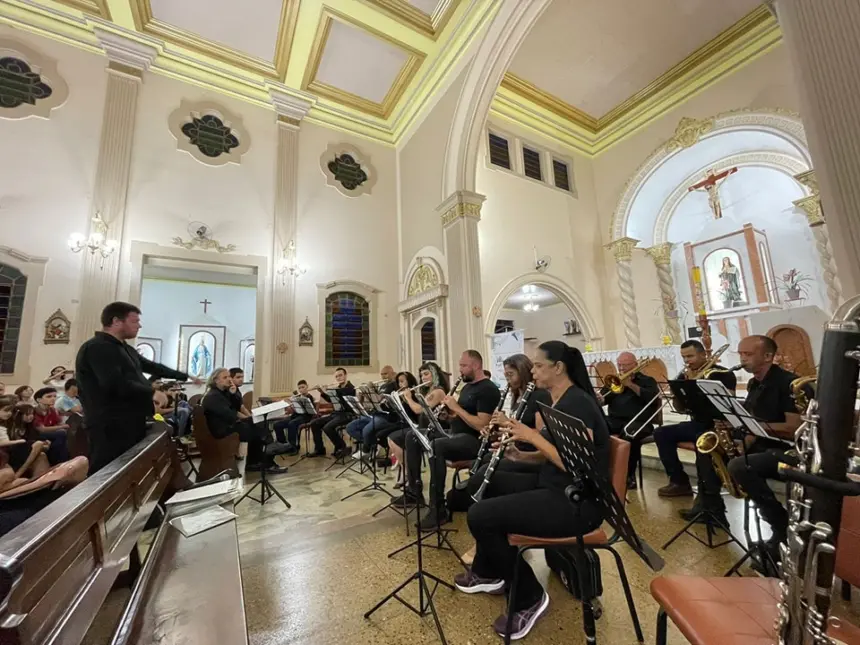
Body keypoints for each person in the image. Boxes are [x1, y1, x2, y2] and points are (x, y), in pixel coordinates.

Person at [454, 341, 609, 640]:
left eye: (538, 365)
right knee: (485, 483)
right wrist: (522, 455)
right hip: (554, 484)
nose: (533, 371)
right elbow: (555, 454)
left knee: (480, 515)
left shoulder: (578, 403)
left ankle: (529, 597)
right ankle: (490, 570)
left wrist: (529, 436)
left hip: (576, 502)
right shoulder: (559, 399)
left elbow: (577, 465)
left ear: (558, 368)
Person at [75, 302, 202, 473]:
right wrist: (151, 391)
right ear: (116, 321)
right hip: (109, 424)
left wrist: (185, 376)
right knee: (107, 471)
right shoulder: (98, 347)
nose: (139, 325)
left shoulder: (125, 349)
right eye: (135, 321)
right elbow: (113, 383)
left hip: (130, 420)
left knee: (130, 471)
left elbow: (152, 367)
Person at [726, 335, 809, 570]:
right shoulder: (754, 384)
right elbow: (756, 421)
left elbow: (794, 428)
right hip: (766, 445)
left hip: (791, 450)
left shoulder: (789, 384)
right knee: (725, 456)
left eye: (748, 354)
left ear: (768, 356)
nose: (742, 359)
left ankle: (779, 525)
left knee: (740, 466)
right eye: (740, 354)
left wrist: (753, 429)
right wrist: (743, 443)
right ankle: (710, 508)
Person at [406, 350, 501, 530]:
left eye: (463, 366)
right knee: (413, 436)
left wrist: (456, 408)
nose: (460, 370)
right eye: (460, 365)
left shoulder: (487, 389)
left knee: (437, 446)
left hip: (475, 442)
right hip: (456, 435)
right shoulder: (467, 387)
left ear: (476, 365)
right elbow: (461, 416)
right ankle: (414, 491)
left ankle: (438, 508)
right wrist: (448, 415)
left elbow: (482, 425)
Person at [653, 340, 737, 525]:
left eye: (690, 356)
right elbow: (682, 409)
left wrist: (697, 383)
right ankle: (679, 481)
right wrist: (680, 391)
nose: (687, 361)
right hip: (697, 423)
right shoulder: (685, 375)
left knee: (703, 444)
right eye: (684, 357)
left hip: (716, 426)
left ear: (703, 354)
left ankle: (710, 503)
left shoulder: (722, 374)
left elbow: (728, 405)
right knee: (661, 433)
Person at [201, 368, 289, 474]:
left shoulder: (222, 393)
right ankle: (268, 457)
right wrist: (248, 419)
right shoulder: (213, 396)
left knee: (256, 424)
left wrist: (233, 394)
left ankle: (255, 461)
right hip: (221, 430)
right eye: (225, 377)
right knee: (254, 427)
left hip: (226, 426)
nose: (229, 379)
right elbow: (230, 415)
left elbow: (235, 408)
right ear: (216, 380)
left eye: (229, 376)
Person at [597, 352, 660, 490]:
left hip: (640, 422)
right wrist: (599, 399)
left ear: (635, 365)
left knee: (630, 435)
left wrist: (630, 385)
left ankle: (628, 476)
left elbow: (653, 400)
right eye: (619, 365)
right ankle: (601, 471)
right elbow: (604, 398)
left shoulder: (647, 381)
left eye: (625, 365)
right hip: (615, 420)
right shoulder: (615, 380)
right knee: (597, 427)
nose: (621, 368)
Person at [388, 362, 449, 490]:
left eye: (426, 374)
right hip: (423, 428)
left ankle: (413, 484)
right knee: (393, 437)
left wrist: (409, 398)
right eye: (421, 376)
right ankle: (408, 474)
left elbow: (419, 410)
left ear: (435, 374)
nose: (423, 378)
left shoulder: (438, 391)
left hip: (436, 431)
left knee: (405, 438)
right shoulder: (428, 391)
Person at [344, 365, 399, 458]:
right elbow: (373, 401)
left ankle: (366, 449)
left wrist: (371, 390)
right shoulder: (383, 385)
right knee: (350, 427)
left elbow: (379, 400)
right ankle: (373, 444)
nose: (383, 376)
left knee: (366, 430)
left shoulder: (394, 385)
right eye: (381, 374)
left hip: (386, 416)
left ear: (393, 373)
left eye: (386, 374)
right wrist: (364, 394)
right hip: (375, 413)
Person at [308, 368, 356, 458]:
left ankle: (342, 447)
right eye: (336, 376)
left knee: (327, 427)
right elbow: (331, 400)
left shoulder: (351, 388)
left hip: (347, 414)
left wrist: (329, 390)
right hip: (336, 414)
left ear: (345, 375)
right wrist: (322, 392)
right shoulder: (338, 388)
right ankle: (320, 449)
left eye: (340, 375)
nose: (338, 378)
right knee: (314, 423)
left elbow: (343, 395)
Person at [272, 380, 315, 454]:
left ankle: (293, 447)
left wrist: (297, 402)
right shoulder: (297, 397)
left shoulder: (309, 397)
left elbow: (309, 411)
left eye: (303, 387)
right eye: (299, 388)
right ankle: (283, 445)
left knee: (292, 424)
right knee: (277, 424)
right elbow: (295, 411)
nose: (301, 389)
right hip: (295, 416)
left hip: (305, 417)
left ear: (307, 386)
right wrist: (291, 404)